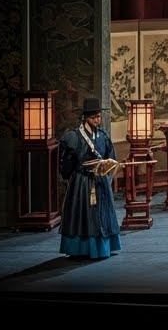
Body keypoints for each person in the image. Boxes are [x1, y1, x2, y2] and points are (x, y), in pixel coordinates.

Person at [58, 96, 122, 259]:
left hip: (100, 181)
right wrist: (72, 175)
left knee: (102, 215)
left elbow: (111, 155)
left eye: (99, 116)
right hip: (82, 182)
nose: (97, 120)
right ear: (85, 118)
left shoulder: (102, 136)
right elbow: (66, 162)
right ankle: (80, 249)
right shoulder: (73, 137)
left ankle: (102, 249)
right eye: (94, 117)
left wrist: (108, 165)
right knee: (82, 215)